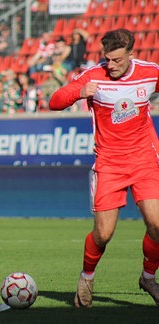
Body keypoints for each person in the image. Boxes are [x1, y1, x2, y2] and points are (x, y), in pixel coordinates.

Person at [49, 28, 159, 308]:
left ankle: (148, 277)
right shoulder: (93, 76)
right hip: (109, 164)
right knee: (103, 234)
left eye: (117, 60)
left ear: (131, 54)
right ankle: (87, 277)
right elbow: (54, 101)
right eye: (107, 59)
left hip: (144, 158)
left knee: (157, 224)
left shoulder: (150, 72)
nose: (111, 65)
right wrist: (78, 93)